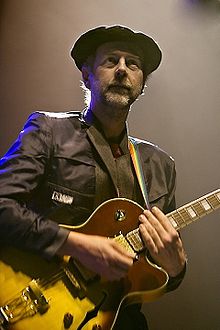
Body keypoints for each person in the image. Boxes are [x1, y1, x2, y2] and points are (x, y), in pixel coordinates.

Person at [0, 25, 187, 329]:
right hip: (34, 301)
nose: (123, 70)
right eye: (111, 60)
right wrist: (74, 243)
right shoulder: (49, 131)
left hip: (115, 318)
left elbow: (155, 273)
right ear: (86, 75)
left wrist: (175, 268)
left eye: (133, 64)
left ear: (142, 84)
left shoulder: (160, 166)